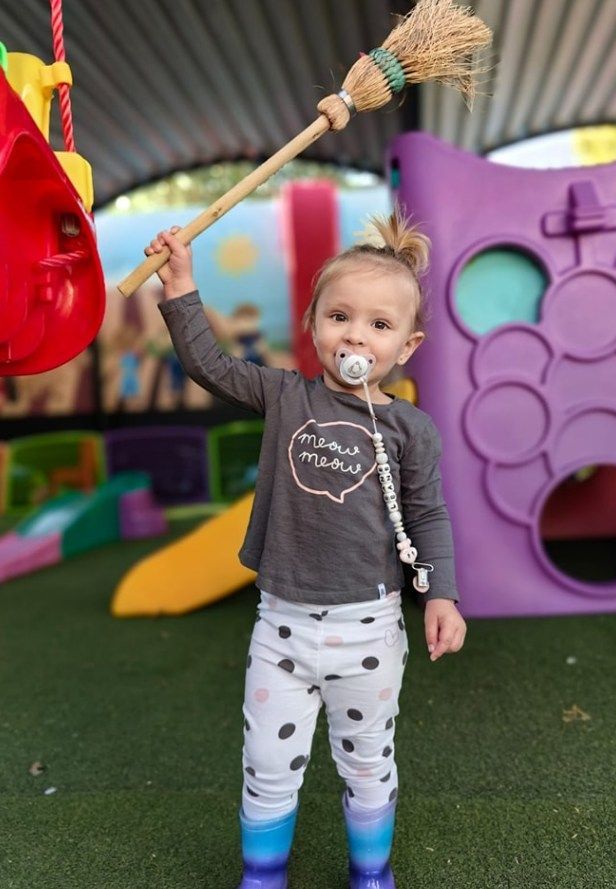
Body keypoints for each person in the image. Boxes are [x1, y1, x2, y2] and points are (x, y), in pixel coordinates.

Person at [144, 210, 466, 889]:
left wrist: (441, 594)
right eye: (339, 316)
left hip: (369, 631)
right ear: (312, 324)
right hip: (281, 629)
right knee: (266, 763)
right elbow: (208, 364)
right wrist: (180, 285)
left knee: (367, 763)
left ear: (407, 346)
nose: (356, 335)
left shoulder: (411, 429)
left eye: (379, 325)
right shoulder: (284, 395)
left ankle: (371, 872)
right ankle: (263, 874)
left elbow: (427, 514)